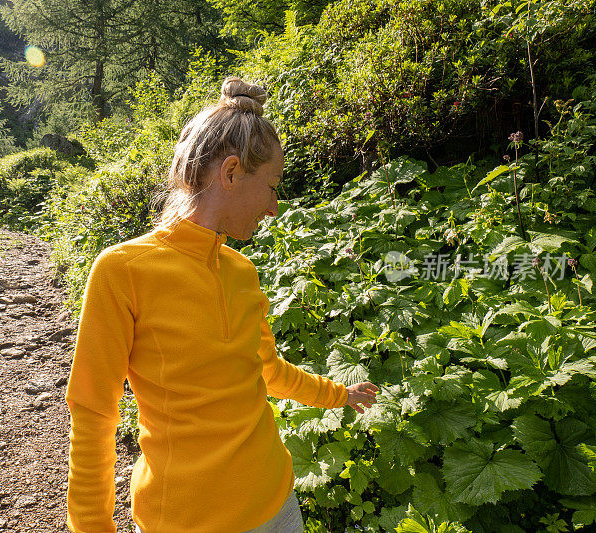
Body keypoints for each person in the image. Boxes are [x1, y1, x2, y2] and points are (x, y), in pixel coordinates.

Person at [65, 76, 379, 533]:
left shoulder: (242, 272)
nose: (274, 207)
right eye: (272, 186)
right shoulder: (123, 271)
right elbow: (93, 415)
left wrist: (339, 394)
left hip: (278, 503)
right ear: (231, 173)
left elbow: (267, 370)